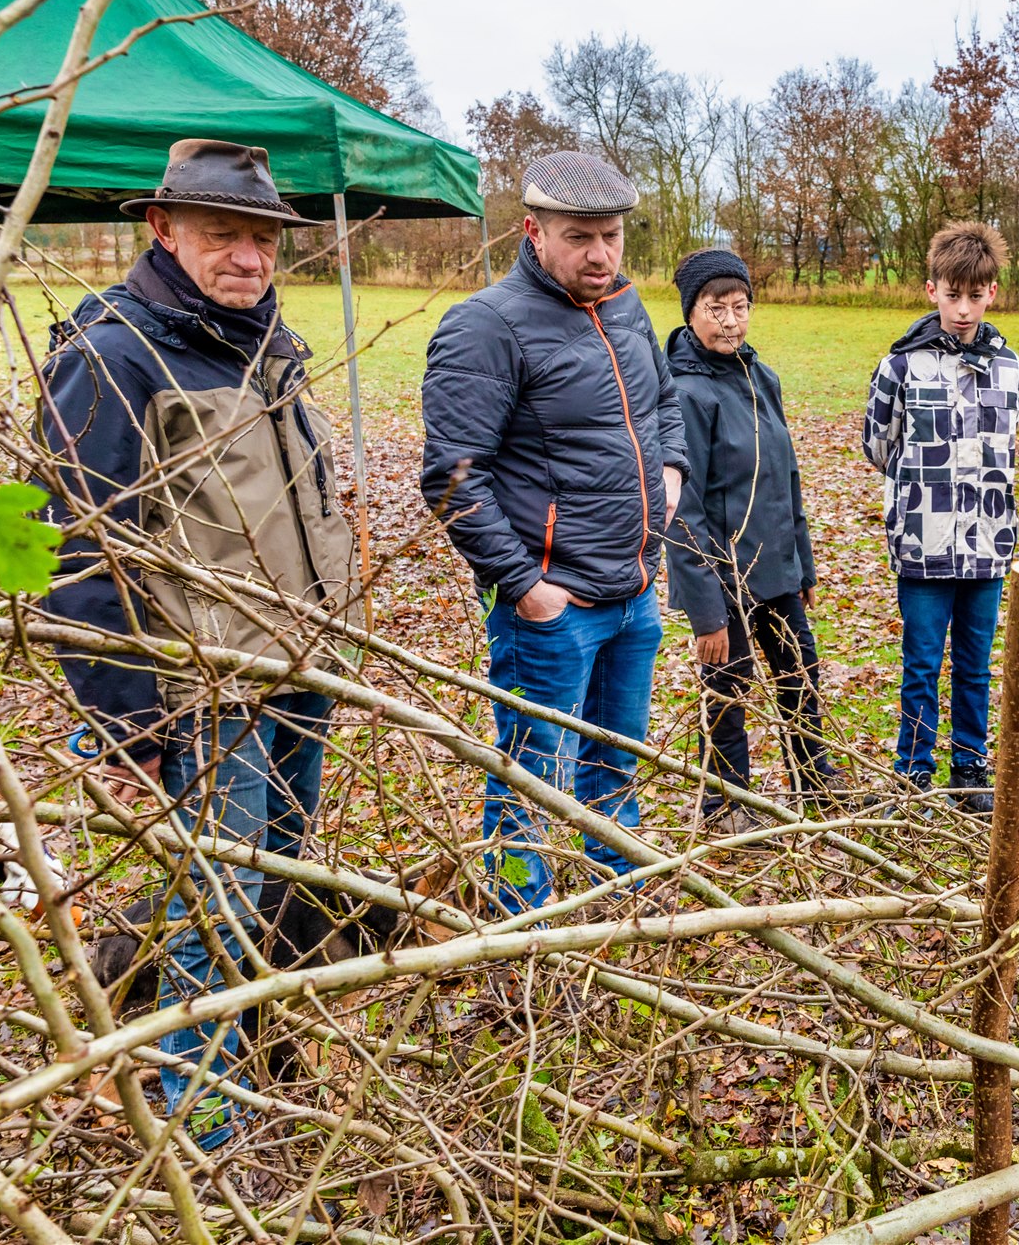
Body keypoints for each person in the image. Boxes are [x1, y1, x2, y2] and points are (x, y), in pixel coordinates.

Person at [36, 138, 355, 1146]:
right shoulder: (113, 355)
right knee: (215, 902)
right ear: (162, 229)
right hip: (204, 688)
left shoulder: (264, 343)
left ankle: (257, 1063)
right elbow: (78, 557)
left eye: (261, 239)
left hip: (300, 663)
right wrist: (133, 720)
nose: (248, 257)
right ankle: (200, 1125)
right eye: (223, 235)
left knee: (277, 883)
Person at [420, 151, 687, 912]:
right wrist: (528, 589)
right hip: (552, 610)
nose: (600, 253)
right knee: (528, 785)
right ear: (533, 232)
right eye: (580, 237)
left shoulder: (626, 306)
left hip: (633, 595)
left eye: (611, 236)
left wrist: (671, 474)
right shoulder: (486, 326)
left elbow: (664, 403)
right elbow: (452, 477)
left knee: (616, 767)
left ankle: (617, 907)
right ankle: (521, 933)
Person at [663, 248, 845, 823]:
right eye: (716, 308)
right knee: (728, 693)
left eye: (741, 306)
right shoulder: (687, 393)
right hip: (724, 580)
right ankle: (725, 804)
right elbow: (680, 512)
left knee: (800, 675)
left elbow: (784, 479)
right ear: (692, 311)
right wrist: (707, 610)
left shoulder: (761, 376)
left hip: (775, 571)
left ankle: (815, 784)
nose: (730, 321)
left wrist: (803, 567)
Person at [862, 222, 1019, 816]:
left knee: (976, 667)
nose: (963, 308)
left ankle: (970, 768)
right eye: (952, 294)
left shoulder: (1011, 367)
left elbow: (1008, 451)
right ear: (931, 289)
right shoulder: (899, 367)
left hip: (987, 546)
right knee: (922, 665)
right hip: (923, 544)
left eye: (975, 295)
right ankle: (913, 776)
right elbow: (878, 448)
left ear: (993, 292)